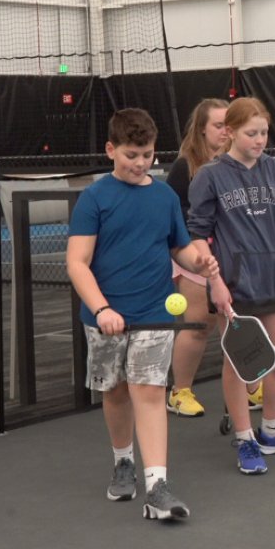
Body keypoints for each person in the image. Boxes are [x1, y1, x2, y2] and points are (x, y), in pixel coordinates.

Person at [67, 108, 220, 519]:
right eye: (132, 154)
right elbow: (77, 263)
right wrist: (101, 309)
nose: (140, 163)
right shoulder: (94, 199)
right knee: (114, 392)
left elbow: (179, 247)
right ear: (111, 150)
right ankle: (123, 461)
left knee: (150, 392)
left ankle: (157, 486)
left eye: (148, 155)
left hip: (154, 313)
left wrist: (198, 261)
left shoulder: (165, 196)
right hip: (105, 318)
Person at [187, 97, 275, 474]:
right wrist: (214, 280)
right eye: (251, 133)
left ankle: (271, 429)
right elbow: (198, 235)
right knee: (241, 364)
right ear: (230, 132)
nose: (259, 140)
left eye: (264, 132)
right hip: (233, 286)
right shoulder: (210, 175)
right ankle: (245, 438)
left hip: (274, 281)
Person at [164, 99, 275, 417]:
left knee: (244, 333)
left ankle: (252, 387)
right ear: (203, 129)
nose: (223, 130)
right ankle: (180, 391)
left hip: (230, 255)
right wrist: (196, 255)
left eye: (225, 124)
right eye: (217, 125)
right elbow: (181, 217)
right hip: (195, 252)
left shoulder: (253, 165)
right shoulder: (188, 167)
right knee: (197, 323)